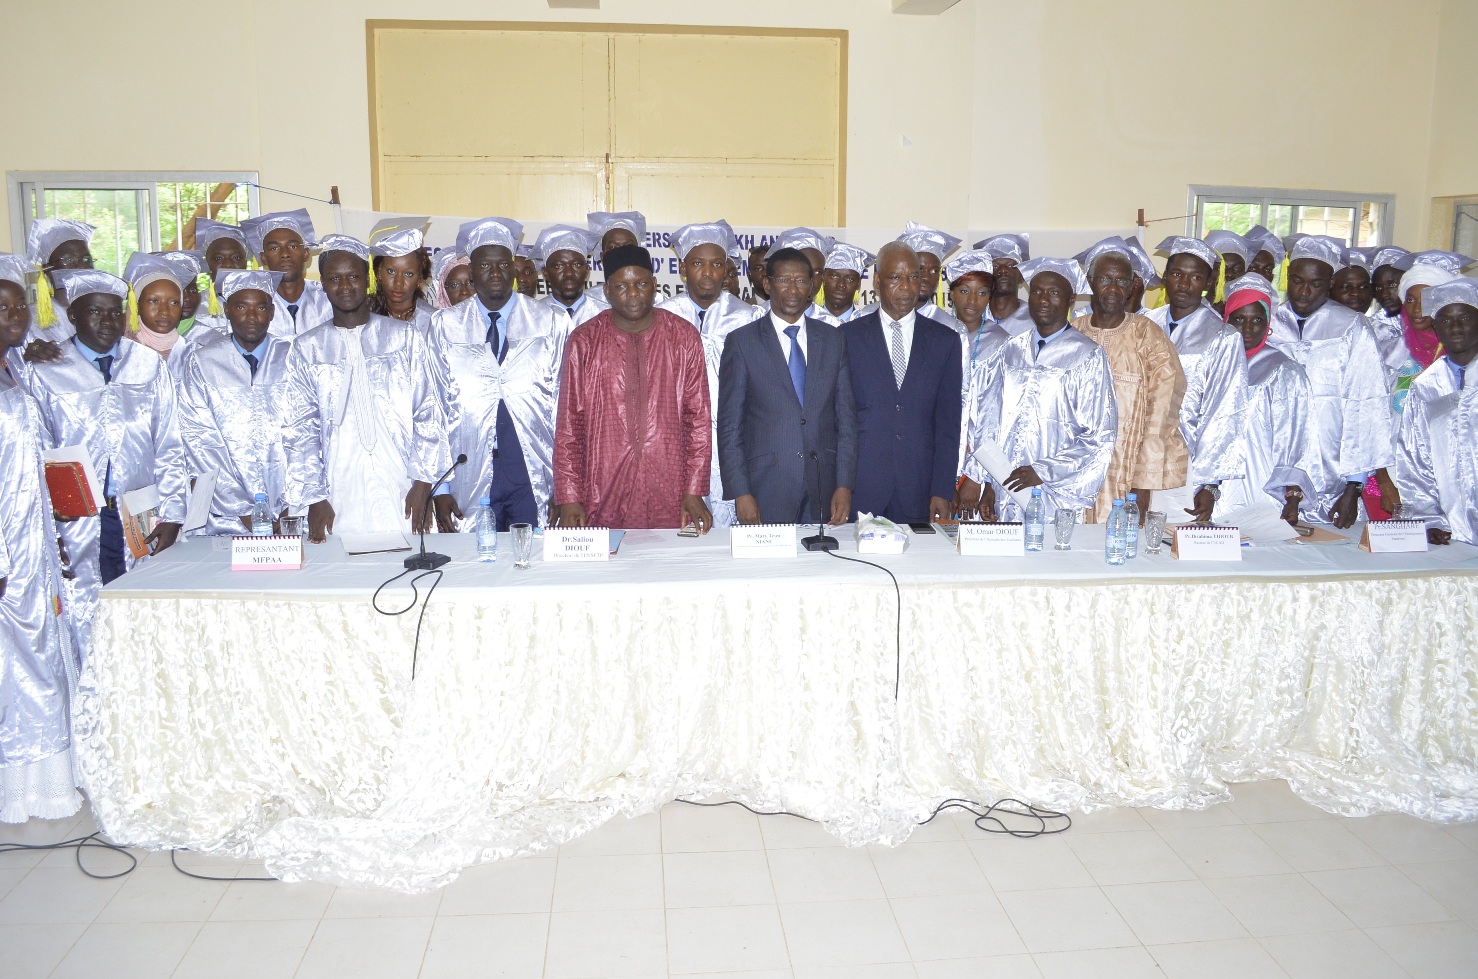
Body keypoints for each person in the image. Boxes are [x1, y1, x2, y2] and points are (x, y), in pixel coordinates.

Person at [25, 269, 187, 660]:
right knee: (86, 610)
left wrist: (173, 514)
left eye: (116, 313)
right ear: (73, 316)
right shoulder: (47, 370)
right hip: (76, 519)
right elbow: (39, 451)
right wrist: (53, 522)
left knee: (143, 610)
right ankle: (92, 704)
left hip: (141, 512)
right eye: (94, 312)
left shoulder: (147, 364)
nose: (107, 321)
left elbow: (168, 443)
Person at [281, 235, 451, 542]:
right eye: (334, 279)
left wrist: (424, 481)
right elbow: (300, 429)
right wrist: (314, 497)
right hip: (339, 487)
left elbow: (428, 411)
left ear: (368, 280)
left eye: (353, 277)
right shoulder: (307, 349)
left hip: (402, 482)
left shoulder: (404, 338)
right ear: (322, 283)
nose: (345, 287)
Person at [0, 253, 82, 823]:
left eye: (18, 306)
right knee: (17, 662)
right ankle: (21, 784)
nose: (13, 316)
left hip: (35, 540)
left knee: (45, 652)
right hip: (6, 547)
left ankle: (50, 779)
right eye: (0, 308)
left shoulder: (18, 369)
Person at [552, 244, 712, 531]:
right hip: (602, 489)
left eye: (640, 283)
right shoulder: (584, 341)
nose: (634, 293)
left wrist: (694, 488)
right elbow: (569, 426)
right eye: (622, 286)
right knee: (606, 570)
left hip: (671, 487)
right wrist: (569, 496)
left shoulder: (683, 337)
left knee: (670, 568)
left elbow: (698, 419)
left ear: (654, 285)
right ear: (607, 291)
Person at [427, 216, 562, 531]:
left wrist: (566, 483)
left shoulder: (549, 320)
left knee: (535, 565)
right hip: (468, 470)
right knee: (475, 569)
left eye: (503, 264)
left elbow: (565, 404)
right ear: (472, 272)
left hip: (533, 469)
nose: (495, 272)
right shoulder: (446, 325)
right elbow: (433, 406)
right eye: (485, 266)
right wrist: (441, 487)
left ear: (514, 269)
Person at [956, 257, 1116, 518]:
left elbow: (1099, 435)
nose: (1043, 300)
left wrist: (1042, 471)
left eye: (1054, 293)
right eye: (1037, 291)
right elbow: (989, 419)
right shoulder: (1010, 349)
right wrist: (985, 481)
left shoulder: (1087, 355)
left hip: (1053, 492)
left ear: (1070, 299)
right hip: (1005, 485)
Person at [717, 245, 857, 526]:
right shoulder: (742, 342)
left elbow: (846, 419)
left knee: (823, 567)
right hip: (765, 486)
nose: (793, 289)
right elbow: (730, 426)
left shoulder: (833, 340)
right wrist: (741, 492)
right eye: (784, 280)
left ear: (812, 286)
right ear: (768, 285)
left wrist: (844, 484)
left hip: (824, 484)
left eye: (801, 281)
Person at [1266, 235, 1392, 528]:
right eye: (1297, 280)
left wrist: (1354, 486)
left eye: (1316, 283)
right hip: (1271, 465)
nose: (1304, 291)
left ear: (1331, 282)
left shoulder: (1351, 326)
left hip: (1331, 469)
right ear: (1286, 276)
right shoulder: (1267, 322)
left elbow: (1366, 405)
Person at [841, 242, 961, 523]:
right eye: (896, 277)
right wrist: (841, 486)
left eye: (914, 277)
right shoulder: (847, 338)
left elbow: (948, 425)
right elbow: (838, 420)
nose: (906, 287)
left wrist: (942, 490)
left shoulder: (944, 341)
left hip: (919, 490)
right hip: (861, 487)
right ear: (878, 280)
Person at [1071, 238, 1188, 522]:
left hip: (1126, 472)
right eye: (1104, 279)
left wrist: (1143, 482)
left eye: (1122, 281)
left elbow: (1163, 411)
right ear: (1089, 282)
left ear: (1132, 286)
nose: (1113, 289)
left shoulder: (1148, 336)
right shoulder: (1072, 333)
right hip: (1073, 471)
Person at [173, 270, 295, 536]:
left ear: (272, 312)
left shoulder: (294, 357)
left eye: (261, 307)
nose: (252, 317)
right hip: (226, 516)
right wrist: (244, 510)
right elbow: (200, 441)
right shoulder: (202, 362)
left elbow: (308, 432)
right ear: (227, 309)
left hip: (294, 512)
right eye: (241, 307)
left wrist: (292, 504)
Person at [658, 221, 756, 526]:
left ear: (726, 269)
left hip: (734, 439)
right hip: (675, 440)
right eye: (698, 264)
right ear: (683, 268)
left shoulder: (747, 317)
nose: (708, 273)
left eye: (716, 264)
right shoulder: (662, 316)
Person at [1145, 237, 1249, 522]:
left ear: (1208, 283)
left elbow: (1225, 413)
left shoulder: (1223, 337)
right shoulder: (1144, 325)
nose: (1184, 284)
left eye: (1195, 277)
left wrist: (1209, 483)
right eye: (1177, 274)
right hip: (1140, 459)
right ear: (1165, 278)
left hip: (1190, 462)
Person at [1366, 250, 1472, 518]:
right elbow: (1370, 419)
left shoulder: (1462, 355)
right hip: (1390, 482)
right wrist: (1384, 481)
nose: (1417, 309)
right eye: (1410, 299)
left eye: (1428, 298)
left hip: (1458, 489)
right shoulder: (1387, 353)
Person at [1211, 274, 1316, 523]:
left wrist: (1291, 495)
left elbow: (1295, 438)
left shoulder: (1283, 370)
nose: (1247, 329)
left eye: (1257, 320)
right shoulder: (1212, 363)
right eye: (1239, 319)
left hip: (1260, 482)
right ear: (1226, 320)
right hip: (1210, 484)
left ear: (1268, 322)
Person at [1395, 278, 1478, 544]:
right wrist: (1429, 520)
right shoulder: (1425, 387)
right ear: (1435, 326)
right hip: (1450, 529)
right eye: (1444, 320)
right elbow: (1414, 460)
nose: (1455, 326)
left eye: (1464, 317)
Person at [941, 249, 1008, 486]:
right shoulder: (934, 334)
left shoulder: (1001, 342)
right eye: (964, 291)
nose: (972, 301)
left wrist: (977, 475)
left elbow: (998, 414)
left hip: (980, 458)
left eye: (981, 293)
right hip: (936, 451)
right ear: (951, 294)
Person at [240, 208, 331, 336]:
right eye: (274, 248)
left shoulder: (327, 297)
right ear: (263, 258)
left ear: (306, 254)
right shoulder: (253, 304)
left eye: (293, 246)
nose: (285, 254)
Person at [24, 219, 94, 343]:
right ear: (46, 269)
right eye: (69, 259)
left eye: (87, 258)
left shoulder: (102, 311)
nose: (83, 266)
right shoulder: (33, 317)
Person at [757, 228, 841, 325]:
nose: (812, 280)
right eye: (804, 273)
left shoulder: (832, 325)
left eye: (818, 272)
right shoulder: (754, 318)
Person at [533, 224, 602, 336]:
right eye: (559, 266)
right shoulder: (532, 317)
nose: (569, 273)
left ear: (586, 270)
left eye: (577, 264)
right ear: (545, 273)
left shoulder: (604, 313)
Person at [122, 253, 188, 362]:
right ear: (137, 305)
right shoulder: (122, 353)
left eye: (174, 303)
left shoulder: (192, 354)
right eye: (154, 301)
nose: (164, 312)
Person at [191, 218, 252, 335]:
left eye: (236, 258)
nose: (228, 264)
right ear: (208, 264)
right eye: (218, 258)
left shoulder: (262, 301)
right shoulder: (195, 304)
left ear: (246, 263)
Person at [369, 227, 435, 327]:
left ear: (420, 278)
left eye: (408, 274)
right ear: (378, 273)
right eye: (391, 271)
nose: (398, 283)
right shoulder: (365, 317)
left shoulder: (433, 321)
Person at [974, 233, 1034, 336]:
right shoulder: (973, 317)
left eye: (1011, 266)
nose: (1003, 270)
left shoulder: (1035, 321)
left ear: (1021, 277)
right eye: (995, 267)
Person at [584, 210, 646, 309]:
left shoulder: (658, 302)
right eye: (613, 248)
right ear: (602, 257)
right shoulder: (586, 303)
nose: (621, 253)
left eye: (628, 246)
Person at [1203, 230, 1257, 317]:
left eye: (1237, 269)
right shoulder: (1192, 313)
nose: (1229, 274)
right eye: (1221, 268)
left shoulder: (1250, 315)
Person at [819, 242, 873, 322]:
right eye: (834, 276)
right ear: (823, 278)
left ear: (858, 284)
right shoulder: (806, 323)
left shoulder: (867, 325)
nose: (841, 285)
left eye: (850, 279)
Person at [154, 250, 204, 336]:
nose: (187, 298)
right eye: (178, 290)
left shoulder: (209, 338)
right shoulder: (133, 337)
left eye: (193, 290)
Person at [1330, 247, 1375, 315]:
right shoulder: (1315, 324)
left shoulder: (1378, 325)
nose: (1356, 293)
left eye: (1364, 287)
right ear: (1328, 291)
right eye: (1347, 287)